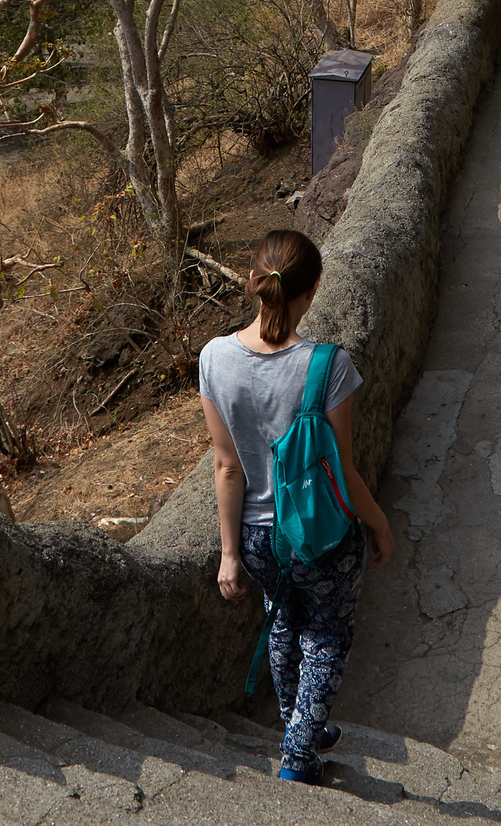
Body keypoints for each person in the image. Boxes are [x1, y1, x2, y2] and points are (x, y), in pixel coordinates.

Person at [201, 231, 396, 783]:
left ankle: (298, 728)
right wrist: (378, 524)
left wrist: (229, 555)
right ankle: (298, 754)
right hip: (322, 535)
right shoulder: (328, 365)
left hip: (259, 539)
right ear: (313, 288)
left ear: (254, 280)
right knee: (328, 633)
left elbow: (226, 466)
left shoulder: (214, 358)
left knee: (283, 620)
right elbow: (341, 471)